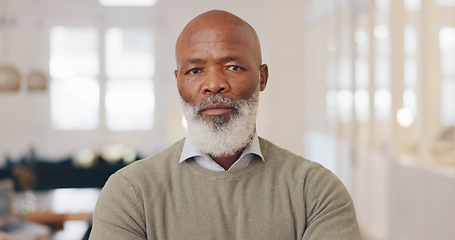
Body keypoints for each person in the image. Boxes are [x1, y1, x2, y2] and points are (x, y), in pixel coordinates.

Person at [89, 10, 362, 240]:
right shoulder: (129, 193)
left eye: (233, 67)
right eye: (195, 70)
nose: (213, 84)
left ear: (262, 78)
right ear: (178, 81)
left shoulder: (316, 192)